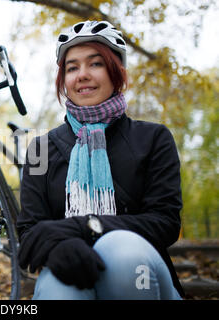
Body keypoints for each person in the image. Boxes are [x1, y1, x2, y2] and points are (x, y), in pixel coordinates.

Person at [17, 20, 184, 300]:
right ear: (63, 80)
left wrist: (84, 227)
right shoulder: (40, 149)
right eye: (72, 67)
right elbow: (29, 230)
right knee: (60, 289)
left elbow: (165, 222)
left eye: (95, 64)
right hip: (68, 272)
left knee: (122, 254)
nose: (82, 75)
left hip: (141, 272)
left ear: (117, 72)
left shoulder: (154, 138)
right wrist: (58, 248)